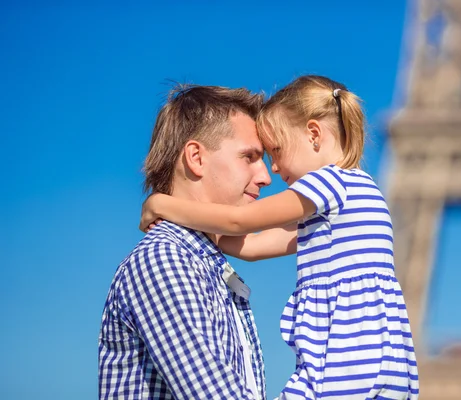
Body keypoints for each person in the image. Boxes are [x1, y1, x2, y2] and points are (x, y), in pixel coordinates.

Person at [140, 75, 420, 399]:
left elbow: (239, 220)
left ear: (314, 134)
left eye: (276, 151)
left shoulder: (329, 182)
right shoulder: (357, 197)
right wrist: (208, 235)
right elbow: (255, 245)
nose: (272, 169)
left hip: (344, 361)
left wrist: (163, 204)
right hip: (380, 360)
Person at [98, 84, 271, 399]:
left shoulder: (205, 263)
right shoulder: (165, 258)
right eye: (250, 157)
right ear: (196, 158)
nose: (265, 176)